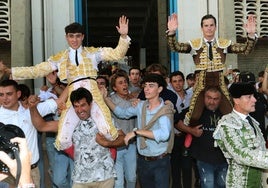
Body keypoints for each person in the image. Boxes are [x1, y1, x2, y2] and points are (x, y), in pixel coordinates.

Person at [10, 15, 131, 152]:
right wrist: (14, 72)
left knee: (109, 132)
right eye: (71, 36)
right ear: (66, 37)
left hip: (93, 95)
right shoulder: (60, 57)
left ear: (83, 37)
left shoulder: (93, 53)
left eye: (78, 36)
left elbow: (117, 54)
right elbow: (37, 70)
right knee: (62, 139)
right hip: (73, 95)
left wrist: (124, 37)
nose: (74, 40)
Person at [166, 13, 257, 127]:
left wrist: (251, 35)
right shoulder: (195, 44)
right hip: (201, 83)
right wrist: (172, 33)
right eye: (206, 25)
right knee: (193, 116)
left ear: (215, 27)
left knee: (230, 113)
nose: (209, 28)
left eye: (211, 25)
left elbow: (245, 50)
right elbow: (176, 47)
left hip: (219, 82)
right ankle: (191, 137)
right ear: (202, 28)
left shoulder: (223, 44)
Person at [29, 87, 126, 188]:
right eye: (76, 106)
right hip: (80, 180)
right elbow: (42, 126)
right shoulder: (69, 123)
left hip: (105, 178)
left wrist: (106, 143)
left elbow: (123, 138)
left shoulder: (103, 120)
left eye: (83, 105)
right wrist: (32, 108)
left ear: (91, 104)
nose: (80, 110)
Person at [104, 74, 174, 188]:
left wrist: (136, 132)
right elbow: (122, 113)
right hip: (143, 160)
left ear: (160, 89)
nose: (146, 89)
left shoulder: (164, 110)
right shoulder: (140, 106)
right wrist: (106, 99)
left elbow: (164, 134)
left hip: (160, 161)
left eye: (151, 86)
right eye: (145, 85)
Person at [0, 79, 60, 188]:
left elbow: (59, 102)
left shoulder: (31, 110)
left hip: (31, 172)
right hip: (5, 174)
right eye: (1, 95)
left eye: (9, 94)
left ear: (18, 94)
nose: (5, 98)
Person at [213, 82, 268, 187]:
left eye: (253, 96)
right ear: (236, 100)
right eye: (249, 97)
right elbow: (240, 154)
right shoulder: (227, 123)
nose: (254, 100)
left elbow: (261, 150)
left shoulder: (253, 122)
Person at [184, 86, 228, 188]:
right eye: (209, 98)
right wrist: (192, 131)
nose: (211, 102)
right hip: (203, 157)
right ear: (204, 97)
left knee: (222, 184)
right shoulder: (196, 110)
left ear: (220, 99)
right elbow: (177, 122)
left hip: (223, 158)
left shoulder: (226, 111)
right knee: (208, 185)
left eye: (215, 99)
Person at [109, 72, 137, 188]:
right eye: (120, 83)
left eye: (125, 82)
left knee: (132, 178)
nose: (124, 85)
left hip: (131, 145)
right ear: (114, 88)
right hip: (116, 146)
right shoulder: (110, 101)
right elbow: (122, 112)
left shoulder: (134, 100)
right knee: (118, 183)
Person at [168, 71, 193, 188]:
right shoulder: (169, 98)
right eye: (174, 81)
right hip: (174, 137)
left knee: (187, 167)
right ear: (171, 83)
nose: (178, 84)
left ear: (183, 81)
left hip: (187, 137)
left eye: (180, 81)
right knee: (175, 168)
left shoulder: (190, 95)